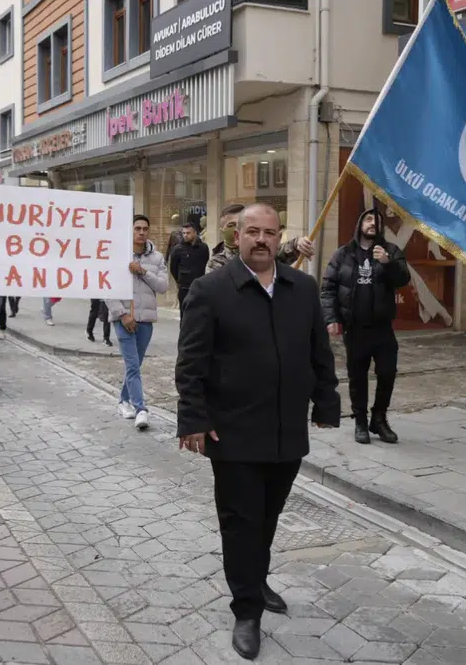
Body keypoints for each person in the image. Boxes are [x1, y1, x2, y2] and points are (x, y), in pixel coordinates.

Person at [176, 203, 339, 661]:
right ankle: (246, 611)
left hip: (286, 431)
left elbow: (319, 352)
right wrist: (193, 419)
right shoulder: (212, 289)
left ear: (279, 235)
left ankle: (256, 578)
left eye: (269, 232)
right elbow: (190, 362)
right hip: (232, 431)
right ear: (238, 236)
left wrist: (327, 402)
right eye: (253, 232)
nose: (262, 239)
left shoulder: (302, 288)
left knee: (267, 517)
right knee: (241, 521)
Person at [320, 208, 410, 444]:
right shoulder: (343, 254)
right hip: (355, 328)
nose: (373, 224)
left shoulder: (390, 251)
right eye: (369, 219)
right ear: (360, 223)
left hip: (382, 328)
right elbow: (328, 288)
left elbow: (403, 279)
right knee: (357, 376)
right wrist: (331, 319)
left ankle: (378, 418)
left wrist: (387, 263)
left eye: (377, 221)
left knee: (388, 373)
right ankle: (360, 420)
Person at [106, 215, 168, 431]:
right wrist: (122, 314)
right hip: (123, 318)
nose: (141, 232)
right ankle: (140, 408)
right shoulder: (116, 255)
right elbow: (106, 288)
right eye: (137, 228)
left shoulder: (158, 258)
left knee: (136, 364)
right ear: (130, 231)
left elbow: (163, 286)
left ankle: (123, 401)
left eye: (144, 229)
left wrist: (142, 271)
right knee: (132, 365)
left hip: (146, 319)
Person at [205, 203, 314, 273]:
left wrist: (298, 243)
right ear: (222, 231)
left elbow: (282, 251)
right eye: (231, 225)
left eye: (239, 225)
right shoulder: (217, 263)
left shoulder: (259, 251)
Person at [168, 219, 209, 310]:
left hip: (199, 287)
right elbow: (173, 268)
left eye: (188, 233)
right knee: (184, 315)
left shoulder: (203, 248)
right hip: (184, 288)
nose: (185, 235)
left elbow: (205, 262)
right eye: (184, 233)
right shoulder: (178, 249)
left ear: (195, 233)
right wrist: (180, 280)